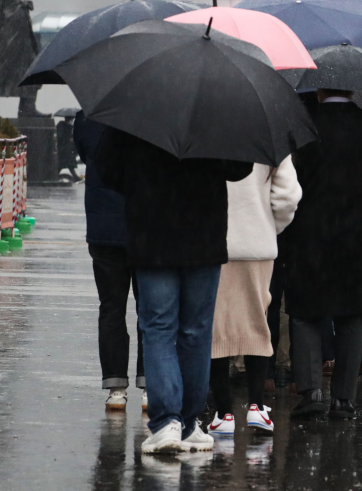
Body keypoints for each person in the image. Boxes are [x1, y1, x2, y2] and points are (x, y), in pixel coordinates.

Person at [95, 128, 252, 454]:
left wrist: (143, 182)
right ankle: (189, 423)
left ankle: (167, 421)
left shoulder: (137, 109)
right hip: (204, 231)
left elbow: (108, 168)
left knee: (158, 327)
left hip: (152, 229)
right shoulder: (216, 111)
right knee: (196, 330)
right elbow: (240, 167)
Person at [281, 89, 362, 420]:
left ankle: (311, 391)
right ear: (353, 89)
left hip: (310, 232)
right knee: (352, 314)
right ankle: (344, 398)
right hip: (357, 236)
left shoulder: (302, 127)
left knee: (305, 312)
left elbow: (290, 179)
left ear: (319, 90)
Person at [207, 156, 301, 437]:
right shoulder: (268, 138)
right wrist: (269, 226)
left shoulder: (207, 134)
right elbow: (287, 196)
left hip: (214, 241)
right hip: (258, 244)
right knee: (257, 320)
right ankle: (257, 407)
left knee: (217, 327)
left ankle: (223, 413)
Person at [75, 111, 144, 412]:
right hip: (145, 227)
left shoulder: (89, 116)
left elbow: (85, 153)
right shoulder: (153, 114)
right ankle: (150, 385)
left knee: (111, 308)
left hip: (104, 228)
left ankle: (116, 389)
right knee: (151, 311)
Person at [57, 114, 81, 182]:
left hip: (65, 150)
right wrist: (69, 139)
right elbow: (62, 138)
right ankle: (76, 178)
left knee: (65, 165)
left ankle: (76, 177)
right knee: (67, 164)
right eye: (72, 120)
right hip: (65, 150)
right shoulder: (63, 127)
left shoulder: (64, 126)